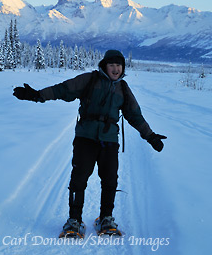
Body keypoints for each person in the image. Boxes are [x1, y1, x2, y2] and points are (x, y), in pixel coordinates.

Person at [13, 49, 167, 235]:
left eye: (119, 65)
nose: (116, 69)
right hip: (85, 138)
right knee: (79, 179)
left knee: (110, 180)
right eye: (112, 65)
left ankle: (106, 218)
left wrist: (150, 136)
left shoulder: (124, 89)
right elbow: (63, 89)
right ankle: (74, 220)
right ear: (104, 66)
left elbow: (135, 116)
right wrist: (38, 95)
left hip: (109, 141)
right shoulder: (89, 80)